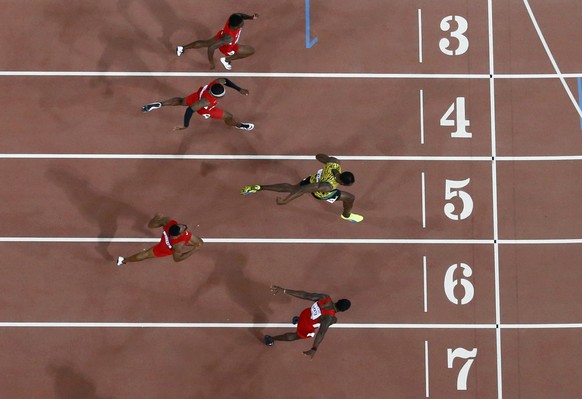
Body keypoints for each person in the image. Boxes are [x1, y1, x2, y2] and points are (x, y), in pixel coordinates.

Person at [240, 154, 364, 222]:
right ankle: (346, 215)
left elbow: (319, 156)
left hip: (311, 179)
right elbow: (303, 190)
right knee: (350, 198)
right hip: (320, 192)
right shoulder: (327, 187)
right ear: (341, 182)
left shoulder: (335, 163)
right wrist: (286, 200)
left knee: (292, 187)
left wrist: (327, 162)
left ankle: (258, 187)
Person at [263, 285, 351, 359]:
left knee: (315, 317)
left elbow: (305, 295)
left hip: (305, 313)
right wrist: (314, 348)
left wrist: (285, 290)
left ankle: (298, 320)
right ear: (342, 311)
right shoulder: (330, 318)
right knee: (295, 336)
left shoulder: (325, 298)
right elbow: (321, 333)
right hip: (307, 326)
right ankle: (271, 339)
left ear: (338, 301)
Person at [141, 78, 254, 131]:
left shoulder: (215, 83)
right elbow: (190, 110)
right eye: (220, 96)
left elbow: (225, 80)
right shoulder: (207, 101)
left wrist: (239, 89)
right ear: (213, 95)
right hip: (204, 108)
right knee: (228, 116)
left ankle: (159, 104)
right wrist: (185, 125)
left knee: (181, 101)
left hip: (196, 96)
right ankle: (240, 126)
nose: (222, 96)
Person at [176, 13, 259, 71]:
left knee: (205, 43)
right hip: (228, 47)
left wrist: (251, 17)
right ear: (235, 27)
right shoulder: (229, 37)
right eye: (241, 24)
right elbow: (211, 48)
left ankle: (181, 48)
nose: (243, 24)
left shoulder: (233, 18)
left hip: (220, 35)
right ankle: (226, 60)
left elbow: (240, 15)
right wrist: (211, 62)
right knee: (251, 51)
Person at [116, 214, 203, 266]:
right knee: (143, 255)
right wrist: (194, 250)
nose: (183, 226)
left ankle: (123, 261)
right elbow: (177, 259)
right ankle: (124, 260)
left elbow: (150, 226)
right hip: (165, 248)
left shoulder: (169, 223)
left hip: (167, 240)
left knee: (200, 242)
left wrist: (155, 219)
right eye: (182, 228)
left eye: (180, 226)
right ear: (179, 234)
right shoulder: (178, 245)